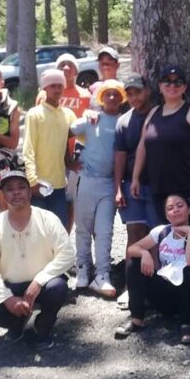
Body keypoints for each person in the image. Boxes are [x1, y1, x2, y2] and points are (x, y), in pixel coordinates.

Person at [0, 169, 75, 346]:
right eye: (10, 189)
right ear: (3, 196)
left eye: (21, 187)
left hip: (43, 285)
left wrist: (38, 282)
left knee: (57, 287)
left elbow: (67, 254)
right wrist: (7, 299)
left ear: (30, 192)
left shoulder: (47, 218)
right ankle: (17, 323)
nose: (16, 192)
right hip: (10, 286)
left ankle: (43, 327)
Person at [115, 193, 190, 345]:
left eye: (180, 206)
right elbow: (132, 249)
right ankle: (137, 319)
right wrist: (145, 253)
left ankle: (187, 324)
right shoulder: (161, 231)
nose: (175, 210)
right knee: (134, 262)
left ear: (189, 210)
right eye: (170, 208)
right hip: (164, 293)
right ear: (166, 215)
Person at [131, 64, 190, 225]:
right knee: (165, 234)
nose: (172, 86)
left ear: (184, 87)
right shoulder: (153, 112)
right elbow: (142, 147)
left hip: (187, 188)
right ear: (160, 86)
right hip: (158, 188)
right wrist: (135, 177)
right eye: (167, 82)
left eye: (177, 82)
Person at [69, 80, 125, 297]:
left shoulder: (124, 121)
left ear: (122, 97)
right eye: (107, 94)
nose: (112, 97)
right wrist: (67, 161)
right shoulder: (91, 118)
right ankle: (83, 268)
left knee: (104, 230)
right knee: (83, 227)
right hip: (87, 179)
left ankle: (103, 274)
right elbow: (66, 131)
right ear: (101, 97)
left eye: (116, 94)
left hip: (110, 183)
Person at [113, 74, 158, 310]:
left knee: (158, 236)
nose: (134, 98)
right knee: (134, 235)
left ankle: (157, 287)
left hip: (159, 185)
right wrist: (117, 188)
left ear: (147, 91)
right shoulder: (123, 121)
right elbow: (120, 157)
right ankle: (133, 287)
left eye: (137, 92)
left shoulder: (161, 114)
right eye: (129, 94)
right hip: (132, 185)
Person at [23, 69, 76, 225]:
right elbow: (28, 148)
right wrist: (32, 181)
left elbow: (80, 134)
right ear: (45, 88)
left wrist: (91, 116)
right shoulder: (34, 114)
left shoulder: (68, 114)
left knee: (59, 228)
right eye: (53, 86)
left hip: (59, 184)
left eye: (60, 86)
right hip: (39, 183)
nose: (57, 89)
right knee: (38, 229)